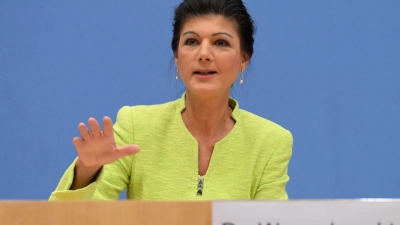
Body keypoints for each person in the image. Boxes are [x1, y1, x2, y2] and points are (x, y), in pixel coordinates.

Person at [49, 0, 293, 201]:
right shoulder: (137, 125)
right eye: (191, 41)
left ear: (243, 59)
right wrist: (86, 173)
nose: (204, 54)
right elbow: (70, 219)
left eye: (221, 43)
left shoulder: (270, 142)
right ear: (177, 57)